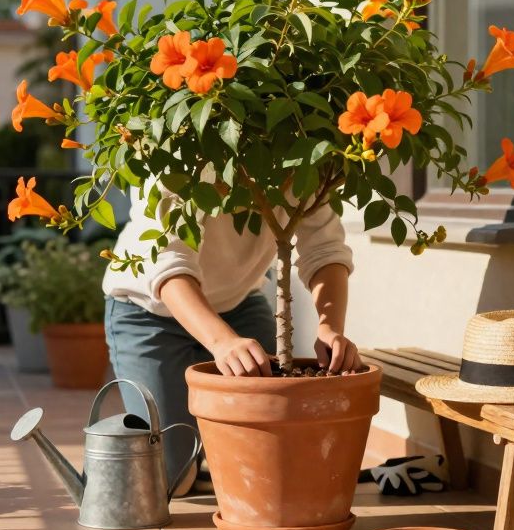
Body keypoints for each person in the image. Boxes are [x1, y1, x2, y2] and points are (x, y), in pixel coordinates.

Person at [102, 182, 363, 489]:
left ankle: (203, 440)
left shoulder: (300, 157)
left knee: (269, 457)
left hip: (239, 305)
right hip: (149, 313)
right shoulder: (171, 151)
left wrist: (329, 326)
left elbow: (323, 248)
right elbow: (166, 262)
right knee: (172, 477)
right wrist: (221, 342)